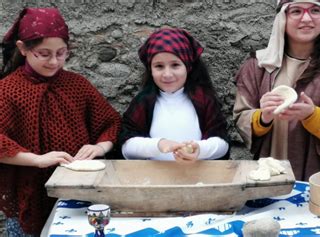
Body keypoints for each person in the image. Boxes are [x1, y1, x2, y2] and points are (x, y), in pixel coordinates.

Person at [0, 7, 121, 236]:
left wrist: (98, 147)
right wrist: (37, 159)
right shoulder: (8, 91)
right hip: (29, 194)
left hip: (79, 195)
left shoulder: (77, 86)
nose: (54, 61)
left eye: (61, 53)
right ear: (23, 48)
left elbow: (111, 123)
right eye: (44, 54)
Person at [233, 0, 320, 181]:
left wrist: (313, 117)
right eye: (296, 11)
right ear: (282, 17)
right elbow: (241, 118)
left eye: (315, 10)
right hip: (268, 177)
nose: (306, 18)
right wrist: (263, 117)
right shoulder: (258, 66)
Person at [119, 28, 229, 162]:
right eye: (159, 66)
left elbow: (223, 144)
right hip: (152, 180)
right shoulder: (143, 101)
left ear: (187, 66)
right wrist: (159, 145)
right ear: (150, 69)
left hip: (198, 179)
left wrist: (199, 149)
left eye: (175, 65)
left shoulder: (204, 100)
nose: (167, 74)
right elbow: (126, 147)